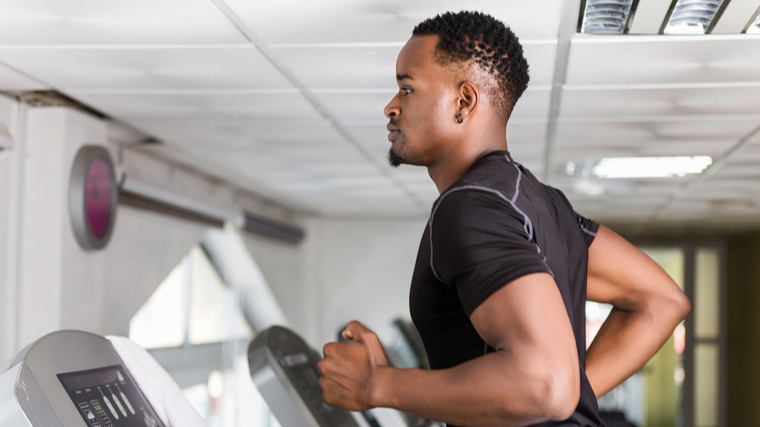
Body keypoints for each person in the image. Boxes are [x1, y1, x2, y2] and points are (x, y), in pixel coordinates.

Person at [317, 11, 690, 427]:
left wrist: (378, 385)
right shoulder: (542, 202)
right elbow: (659, 301)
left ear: (464, 101)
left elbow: (547, 384)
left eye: (407, 89)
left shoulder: (470, 206)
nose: (391, 106)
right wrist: (563, 398)